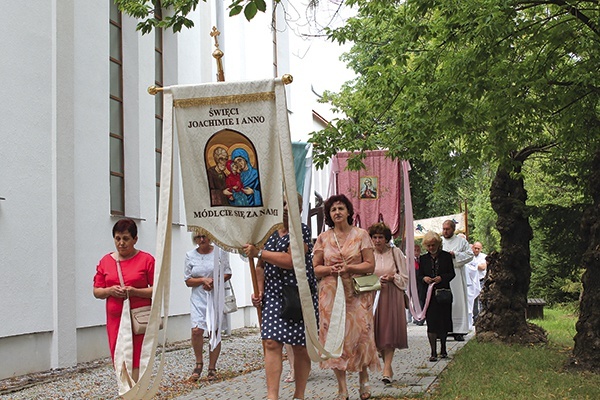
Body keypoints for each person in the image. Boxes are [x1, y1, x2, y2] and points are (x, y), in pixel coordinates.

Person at [243, 193, 317, 400]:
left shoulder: (300, 230)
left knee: (300, 346)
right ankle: (272, 396)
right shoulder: (268, 233)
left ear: (298, 209)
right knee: (271, 342)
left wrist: (259, 252)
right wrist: (259, 291)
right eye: (281, 203)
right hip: (274, 295)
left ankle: (299, 394)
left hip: (298, 295)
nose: (284, 207)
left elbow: (291, 260)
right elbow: (260, 267)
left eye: (289, 204)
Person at [313, 194, 379, 400]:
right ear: (329, 215)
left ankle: (364, 379)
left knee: (361, 335)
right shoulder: (323, 238)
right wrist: (331, 269)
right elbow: (315, 269)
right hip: (331, 294)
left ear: (349, 212)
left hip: (356, 293)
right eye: (333, 210)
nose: (337, 212)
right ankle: (342, 387)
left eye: (341, 208)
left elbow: (370, 265)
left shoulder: (361, 235)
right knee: (334, 338)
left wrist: (349, 267)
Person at [93, 218, 155, 382]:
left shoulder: (146, 260)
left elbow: (157, 289)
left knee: (137, 358)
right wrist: (110, 290)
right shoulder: (106, 261)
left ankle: (134, 393)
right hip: (116, 320)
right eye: (117, 238)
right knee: (119, 357)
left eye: (126, 239)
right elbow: (97, 291)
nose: (121, 243)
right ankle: (126, 391)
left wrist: (135, 291)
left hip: (138, 319)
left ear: (135, 239)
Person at [184, 234, 232, 382]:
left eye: (204, 236)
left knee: (214, 331)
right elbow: (188, 280)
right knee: (197, 330)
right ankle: (199, 362)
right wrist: (202, 280)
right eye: (198, 237)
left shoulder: (220, 252)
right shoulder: (190, 255)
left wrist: (214, 280)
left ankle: (212, 367)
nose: (202, 240)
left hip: (215, 296)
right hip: (198, 297)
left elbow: (227, 273)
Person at [369, 222, 409, 385]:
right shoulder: (368, 254)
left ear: (386, 239)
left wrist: (393, 278)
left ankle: (386, 368)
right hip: (372, 295)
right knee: (375, 333)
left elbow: (405, 277)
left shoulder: (395, 252)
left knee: (389, 332)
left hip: (391, 295)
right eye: (375, 237)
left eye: (381, 237)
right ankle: (387, 364)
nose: (377, 240)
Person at [418, 231, 456, 361]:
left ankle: (444, 348)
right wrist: (425, 278)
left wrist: (441, 278)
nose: (431, 248)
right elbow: (419, 275)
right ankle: (433, 351)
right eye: (428, 246)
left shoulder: (446, 257)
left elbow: (452, 273)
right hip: (429, 297)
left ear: (438, 244)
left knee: (444, 321)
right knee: (432, 323)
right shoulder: (423, 259)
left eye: (433, 245)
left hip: (443, 293)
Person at [441, 220, 474, 341]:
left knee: (458, 302)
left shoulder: (461, 242)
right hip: (443, 276)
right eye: (443, 229)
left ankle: (458, 330)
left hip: (457, 275)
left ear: (453, 229)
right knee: (443, 302)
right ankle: (443, 329)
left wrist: (455, 255)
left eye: (447, 229)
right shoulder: (439, 241)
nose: (445, 231)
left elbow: (470, 255)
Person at [468, 242, 487, 323]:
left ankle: (482, 317)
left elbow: (483, 267)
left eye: (478, 248)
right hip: (471, 281)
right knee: (473, 299)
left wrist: (474, 264)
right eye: (475, 248)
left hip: (481, 280)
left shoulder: (484, 256)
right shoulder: (469, 256)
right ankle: (475, 318)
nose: (476, 250)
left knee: (481, 298)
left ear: (481, 249)